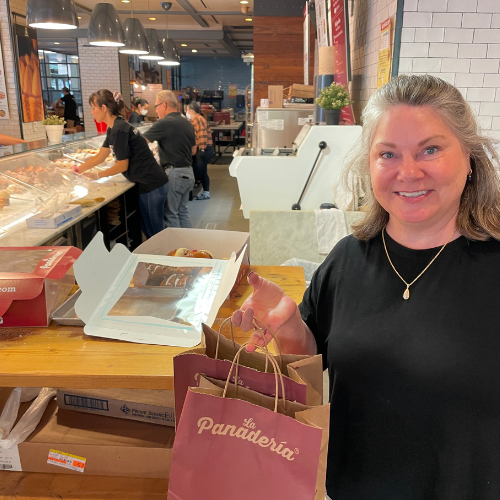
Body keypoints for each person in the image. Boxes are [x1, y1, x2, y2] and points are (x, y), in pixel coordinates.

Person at [232, 74, 500, 499]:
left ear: (468, 156)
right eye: (388, 153)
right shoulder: (347, 259)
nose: (408, 172)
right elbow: (314, 366)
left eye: (430, 149)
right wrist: (288, 329)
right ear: (369, 165)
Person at [76, 89, 168, 239]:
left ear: (104, 108)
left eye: (94, 108)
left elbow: (122, 166)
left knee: (155, 233)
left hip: (152, 184)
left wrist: (96, 175)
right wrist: (76, 170)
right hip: (149, 183)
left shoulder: (120, 129)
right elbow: (100, 156)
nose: (92, 112)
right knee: (148, 229)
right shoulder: (113, 128)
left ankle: (167, 260)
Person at [143, 90, 196, 228]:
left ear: (164, 104)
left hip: (174, 173)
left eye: (156, 106)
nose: (156, 110)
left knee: (171, 214)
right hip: (188, 172)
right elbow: (193, 150)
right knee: (182, 211)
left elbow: (141, 142)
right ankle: (189, 247)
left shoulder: (165, 122)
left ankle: (177, 249)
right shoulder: (187, 122)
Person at [187, 102, 214, 200]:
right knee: (202, 171)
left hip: (203, 149)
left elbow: (202, 135)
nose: (186, 112)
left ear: (191, 110)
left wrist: (201, 150)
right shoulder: (195, 120)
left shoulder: (198, 119)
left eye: (187, 110)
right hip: (202, 149)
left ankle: (205, 192)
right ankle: (205, 192)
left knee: (200, 172)